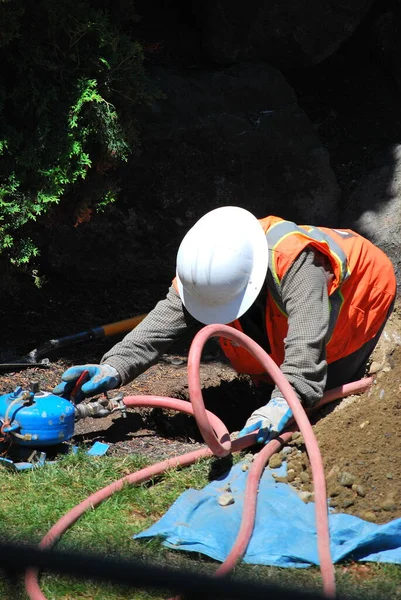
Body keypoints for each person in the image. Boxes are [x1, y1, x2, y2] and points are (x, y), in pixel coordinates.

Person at [54, 206, 397, 444]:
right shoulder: (207, 264)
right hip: (288, 298)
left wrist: (286, 400)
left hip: (362, 296)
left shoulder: (297, 263)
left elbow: (306, 348)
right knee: (272, 374)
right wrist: (113, 367)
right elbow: (163, 322)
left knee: (318, 396)